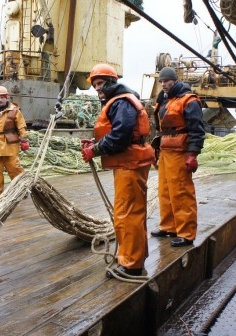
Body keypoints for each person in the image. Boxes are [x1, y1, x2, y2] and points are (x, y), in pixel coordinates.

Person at [81, 64, 155, 279]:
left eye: (101, 84)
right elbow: (120, 132)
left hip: (129, 164)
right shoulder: (121, 101)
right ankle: (134, 256)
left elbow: (121, 136)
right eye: (95, 86)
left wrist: (94, 150)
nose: (98, 89)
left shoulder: (121, 102)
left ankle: (131, 264)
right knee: (132, 213)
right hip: (129, 163)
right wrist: (96, 142)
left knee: (127, 214)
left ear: (111, 82)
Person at [150, 67, 205, 247]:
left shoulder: (189, 101)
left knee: (181, 192)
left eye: (166, 81)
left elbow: (197, 129)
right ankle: (169, 227)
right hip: (166, 151)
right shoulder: (164, 100)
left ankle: (187, 233)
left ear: (174, 80)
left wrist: (193, 154)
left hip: (181, 152)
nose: (163, 84)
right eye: (161, 81)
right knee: (165, 191)